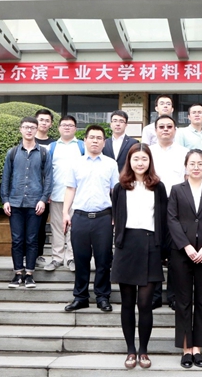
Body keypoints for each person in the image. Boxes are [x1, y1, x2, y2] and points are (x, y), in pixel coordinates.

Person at [111, 143, 168, 370]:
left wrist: (163, 249)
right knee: (127, 303)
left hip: (151, 244)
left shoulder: (158, 187)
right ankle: (130, 350)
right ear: (129, 161)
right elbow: (117, 217)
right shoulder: (120, 187)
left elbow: (163, 219)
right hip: (126, 245)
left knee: (145, 303)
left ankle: (143, 350)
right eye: (136, 159)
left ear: (150, 161)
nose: (140, 163)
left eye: (144, 159)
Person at [167, 149, 202, 369]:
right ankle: (186, 348)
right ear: (186, 166)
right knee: (183, 301)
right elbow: (172, 219)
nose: (196, 167)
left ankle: (198, 347)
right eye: (192, 163)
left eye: (200, 163)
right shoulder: (176, 190)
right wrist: (187, 246)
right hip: (181, 252)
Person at [63, 125, 118, 313]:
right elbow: (70, 189)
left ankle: (102, 297)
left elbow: (115, 191)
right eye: (92, 137)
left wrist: (116, 215)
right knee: (81, 259)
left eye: (99, 138)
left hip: (104, 217)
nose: (95, 141)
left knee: (104, 259)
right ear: (85, 140)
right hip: (80, 217)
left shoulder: (111, 164)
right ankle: (80, 297)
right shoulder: (76, 163)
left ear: (104, 142)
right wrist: (65, 213)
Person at [1, 117, 53, 289]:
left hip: (35, 203)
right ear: (20, 129)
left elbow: (49, 179)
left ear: (37, 130)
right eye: (26, 127)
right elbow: (6, 178)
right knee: (17, 239)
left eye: (32, 127)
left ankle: (29, 274)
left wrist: (43, 199)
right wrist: (5, 200)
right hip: (15, 203)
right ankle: (17, 273)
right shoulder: (12, 153)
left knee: (32, 239)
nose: (29, 130)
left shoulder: (44, 153)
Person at [149, 114, 188, 310]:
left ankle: (173, 295)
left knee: (175, 253)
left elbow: (187, 179)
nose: (165, 129)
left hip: (177, 205)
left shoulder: (184, 153)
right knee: (154, 250)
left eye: (169, 126)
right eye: (161, 126)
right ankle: (155, 295)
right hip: (152, 204)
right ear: (155, 130)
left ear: (175, 130)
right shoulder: (147, 151)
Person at [45, 115, 84, 272]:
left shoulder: (82, 146)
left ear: (75, 128)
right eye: (64, 125)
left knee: (74, 228)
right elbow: (46, 172)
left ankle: (71, 258)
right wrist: (47, 192)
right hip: (56, 194)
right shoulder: (52, 147)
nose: (67, 127)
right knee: (56, 227)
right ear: (59, 128)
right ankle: (57, 258)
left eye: (70, 125)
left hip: (77, 196)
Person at [34, 109, 56, 268]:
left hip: (46, 191)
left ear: (51, 124)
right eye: (41, 120)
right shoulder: (27, 141)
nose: (44, 123)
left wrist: (49, 191)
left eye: (47, 120)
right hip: (28, 191)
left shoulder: (54, 144)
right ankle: (25, 255)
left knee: (41, 225)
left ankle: (38, 255)